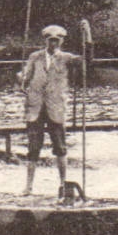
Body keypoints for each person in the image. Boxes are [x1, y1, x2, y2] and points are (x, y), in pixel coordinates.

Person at [16, 25, 80, 197]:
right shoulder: (35, 57)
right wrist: (21, 80)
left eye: (57, 40)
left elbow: (86, 61)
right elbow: (26, 77)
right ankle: (28, 187)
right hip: (35, 107)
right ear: (45, 40)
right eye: (50, 40)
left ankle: (63, 184)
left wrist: (87, 36)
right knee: (33, 147)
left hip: (56, 107)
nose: (53, 43)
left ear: (61, 41)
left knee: (60, 147)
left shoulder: (67, 58)